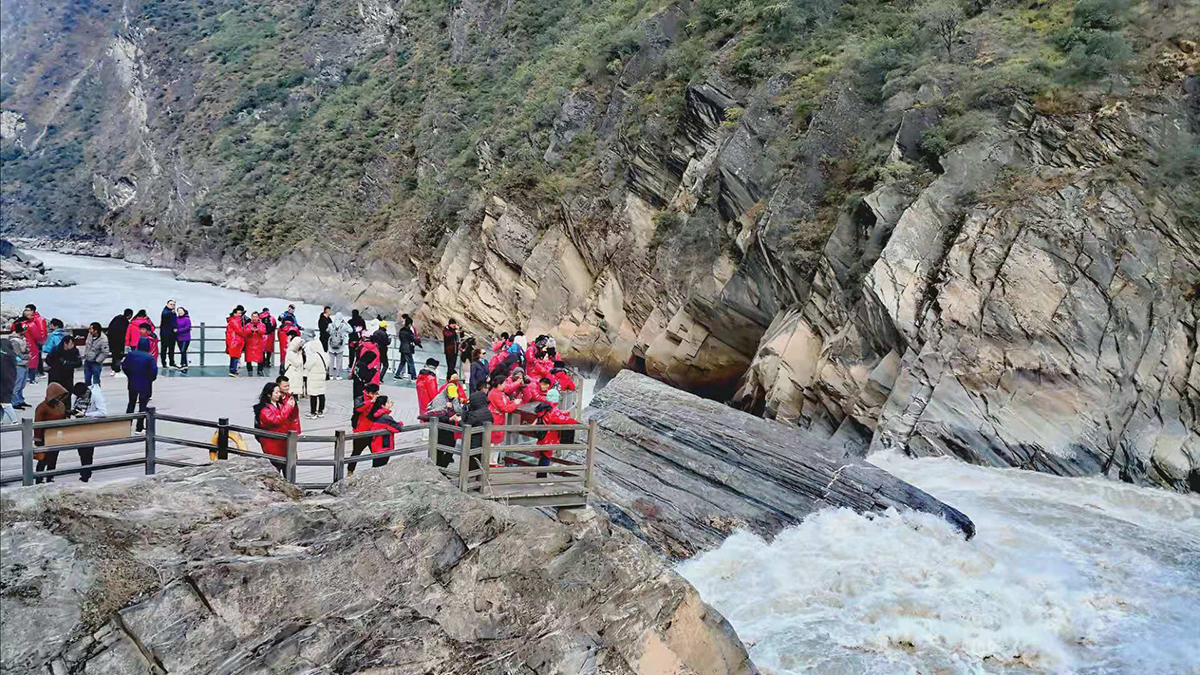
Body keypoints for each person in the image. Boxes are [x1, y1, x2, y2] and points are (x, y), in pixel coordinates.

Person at [253, 382, 298, 474]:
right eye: (276, 392)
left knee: (288, 471)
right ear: (269, 394)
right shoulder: (264, 410)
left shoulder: (280, 405)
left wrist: (294, 405)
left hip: (284, 442)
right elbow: (276, 420)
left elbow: (291, 417)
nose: (279, 395)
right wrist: (288, 407)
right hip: (273, 444)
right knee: (275, 470)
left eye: (279, 392)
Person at [69, 381, 108, 482]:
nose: (79, 398)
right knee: (81, 451)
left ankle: (86, 474)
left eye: (80, 396)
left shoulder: (95, 396)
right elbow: (77, 407)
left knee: (87, 452)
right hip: (79, 426)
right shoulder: (80, 395)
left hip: (90, 427)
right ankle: (84, 470)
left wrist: (86, 414)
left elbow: (103, 412)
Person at [33, 383, 71, 482]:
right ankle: (39, 478)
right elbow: (37, 424)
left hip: (56, 436)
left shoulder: (61, 405)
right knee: (43, 459)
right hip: (44, 437)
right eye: (57, 395)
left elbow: (63, 418)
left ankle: (50, 477)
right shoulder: (42, 407)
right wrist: (38, 439)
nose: (59, 398)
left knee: (54, 458)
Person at [532, 402, 578, 478]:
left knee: (543, 457)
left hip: (542, 438)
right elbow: (564, 420)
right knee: (546, 458)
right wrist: (577, 422)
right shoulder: (551, 414)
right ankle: (542, 478)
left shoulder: (540, 414)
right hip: (549, 438)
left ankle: (540, 476)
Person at [122, 337, 157, 432]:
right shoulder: (149, 357)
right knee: (142, 406)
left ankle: (126, 425)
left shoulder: (131, 354)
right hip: (145, 384)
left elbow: (124, 366)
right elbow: (154, 371)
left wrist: (130, 375)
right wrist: (150, 379)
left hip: (133, 382)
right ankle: (139, 427)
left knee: (131, 403)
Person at [348, 383, 380, 475]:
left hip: (373, 431)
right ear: (368, 392)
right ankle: (350, 471)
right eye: (374, 393)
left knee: (376, 453)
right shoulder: (360, 399)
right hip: (360, 431)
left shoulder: (376, 400)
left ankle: (376, 472)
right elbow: (358, 409)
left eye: (377, 393)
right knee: (356, 453)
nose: (376, 395)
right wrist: (370, 402)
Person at [366, 396, 405, 468]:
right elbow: (398, 428)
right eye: (387, 402)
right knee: (379, 467)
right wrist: (400, 423)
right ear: (382, 405)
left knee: (376, 467)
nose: (389, 403)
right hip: (384, 447)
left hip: (376, 446)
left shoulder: (376, 415)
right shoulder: (385, 417)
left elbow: (390, 425)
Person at [46, 335, 82, 409]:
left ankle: (67, 411)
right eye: (71, 344)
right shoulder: (56, 350)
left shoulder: (75, 351)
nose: (73, 345)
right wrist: (55, 366)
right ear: (65, 343)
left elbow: (79, 363)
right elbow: (48, 359)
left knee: (67, 394)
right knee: (55, 395)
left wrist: (67, 363)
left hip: (67, 376)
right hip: (55, 376)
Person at [17, 305, 47, 382]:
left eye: (28, 310)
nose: (26, 311)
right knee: (32, 359)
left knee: (32, 359)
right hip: (29, 343)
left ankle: (31, 376)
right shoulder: (29, 322)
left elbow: (41, 334)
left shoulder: (35, 321)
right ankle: (31, 376)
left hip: (31, 343)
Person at [304, 337, 328, 418]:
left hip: (314, 377)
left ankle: (313, 412)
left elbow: (307, 366)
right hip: (322, 377)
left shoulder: (314, 356)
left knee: (313, 395)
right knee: (321, 394)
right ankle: (320, 411)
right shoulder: (325, 355)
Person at [8, 323, 30, 410]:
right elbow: (16, 354)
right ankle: (14, 402)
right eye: (24, 329)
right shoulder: (14, 340)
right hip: (18, 364)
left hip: (25, 364)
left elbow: (26, 349)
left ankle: (20, 400)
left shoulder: (23, 338)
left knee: (22, 384)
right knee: (17, 385)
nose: (26, 330)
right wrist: (27, 356)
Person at [82, 322, 110, 387]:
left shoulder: (104, 339)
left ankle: (97, 394)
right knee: (87, 380)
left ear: (95, 330)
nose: (89, 330)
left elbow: (105, 352)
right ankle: (88, 394)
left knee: (96, 381)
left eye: (90, 329)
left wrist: (97, 360)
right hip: (87, 360)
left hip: (96, 363)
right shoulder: (89, 335)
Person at [106, 309, 132, 376]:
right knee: (118, 356)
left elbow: (110, 328)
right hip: (120, 342)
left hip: (112, 341)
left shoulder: (117, 318)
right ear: (129, 315)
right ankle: (117, 370)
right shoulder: (126, 323)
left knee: (114, 355)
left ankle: (113, 369)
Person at [0, 336, 17, 424]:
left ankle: (14, 421)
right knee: (2, 403)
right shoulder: (11, 355)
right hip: (9, 381)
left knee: (5, 403)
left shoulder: (3, 357)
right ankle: (0, 420)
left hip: (3, 382)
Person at [225, 309, 247, 377]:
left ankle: (233, 370)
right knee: (235, 357)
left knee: (234, 357)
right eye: (239, 313)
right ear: (234, 314)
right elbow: (239, 331)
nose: (240, 314)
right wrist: (246, 334)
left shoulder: (234, 320)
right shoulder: (235, 321)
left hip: (234, 341)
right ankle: (233, 371)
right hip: (235, 341)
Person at [328, 313, 348, 379]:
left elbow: (327, 331)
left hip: (331, 345)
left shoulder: (330, 325)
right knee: (339, 360)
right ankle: (338, 375)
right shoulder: (343, 326)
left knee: (331, 360)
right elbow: (351, 330)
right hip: (340, 345)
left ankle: (330, 375)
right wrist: (346, 323)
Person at [160, 300, 178, 369]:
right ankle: (163, 363)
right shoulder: (166, 311)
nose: (172, 306)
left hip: (172, 334)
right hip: (165, 333)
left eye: (173, 304)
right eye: (171, 304)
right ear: (167, 304)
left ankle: (171, 362)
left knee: (171, 349)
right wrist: (171, 312)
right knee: (164, 348)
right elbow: (165, 315)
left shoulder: (173, 313)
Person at [175, 307, 192, 373]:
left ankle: (183, 364)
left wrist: (178, 330)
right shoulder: (176, 319)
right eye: (178, 311)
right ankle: (184, 364)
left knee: (183, 350)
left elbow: (188, 327)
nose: (180, 312)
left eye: (181, 311)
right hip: (179, 338)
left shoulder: (187, 319)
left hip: (185, 338)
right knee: (182, 351)